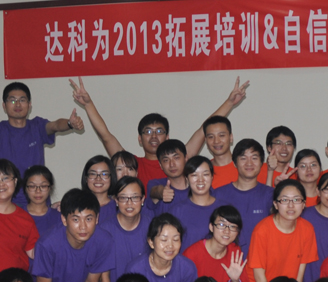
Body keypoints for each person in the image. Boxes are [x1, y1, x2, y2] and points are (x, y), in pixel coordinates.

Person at [70, 75, 247, 187]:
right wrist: (88, 104)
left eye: (159, 131)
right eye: (148, 132)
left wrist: (229, 103)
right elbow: (106, 136)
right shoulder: (131, 165)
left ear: (167, 137)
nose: (154, 136)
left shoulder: (179, 160)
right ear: (139, 139)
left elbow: (204, 129)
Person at [0, 81, 83, 204]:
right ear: (4, 105)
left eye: (22, 100)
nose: (17, 104)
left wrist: (69, 123)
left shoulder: (37, 126)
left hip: (36, 200)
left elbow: (55, 125)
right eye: (12, 100)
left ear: (29, 105)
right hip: (4, 199)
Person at [32, 188, 113, 282]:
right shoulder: (47, 245)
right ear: (64, 219)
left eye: (88, 219)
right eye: (76, 220)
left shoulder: (103, 240)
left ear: (97, 219)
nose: (83, 227)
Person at [240, 180, 318, 282]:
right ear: (276, 204)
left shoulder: (307, 229)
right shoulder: (262, 231)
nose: (291, 205)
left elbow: (299, 274)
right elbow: (259, 276)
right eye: (285, 200)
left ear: (304, 204)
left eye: (296, 200)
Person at [123, 213, 197, 282]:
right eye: (164, 240)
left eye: (176, 239)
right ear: (151, 242)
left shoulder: (187, 269)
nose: (170, 246)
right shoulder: (135, 269)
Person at [95, 177, 151, 282]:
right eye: (123, 198)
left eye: (135, 197)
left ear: (143, 199)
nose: (129, 203)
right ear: (116, 200)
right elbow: (103, 276)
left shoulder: (151, 227)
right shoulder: (104, 230)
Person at [183, 205, 246, 282]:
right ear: (211, 227)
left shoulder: (235, 251)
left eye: (233, 227)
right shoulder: (192, 254)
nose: (227, 231)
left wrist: (235, 280)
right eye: (221, 225)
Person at [212, 138, 274, 258]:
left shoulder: (271, 195)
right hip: (225, 261)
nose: (249, 163)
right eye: (243, 158)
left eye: (254, 158)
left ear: (262, 163)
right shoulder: (218, 194)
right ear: (234, 163)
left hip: (261, 263)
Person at [168, 155, 219, 246]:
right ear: (187, 179)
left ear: (212, 177)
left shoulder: (223, 208)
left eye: (205, 174)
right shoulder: (177, 211)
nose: (200, 180)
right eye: (194, 175)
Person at [146, 139, 189, 215]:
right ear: (160, 165)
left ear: (186, 158)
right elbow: (155, 191)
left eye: (176, 158)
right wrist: (162, 192)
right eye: (166, 160)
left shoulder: (197, 186)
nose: (172, 164)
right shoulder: (154, 183)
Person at [23, 165, 63, 243]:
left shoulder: (59, 218)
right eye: (32, 186)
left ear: (50, 187)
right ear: (26, 188)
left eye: (43, 186)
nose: (38, 191)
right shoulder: (17, 215)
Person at [203, 115, 239, 188]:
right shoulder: (203, 172)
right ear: (206, 140)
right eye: (211, 137)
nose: (216, 141)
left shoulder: (249, 167)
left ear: (231, 137)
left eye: (221, 135)